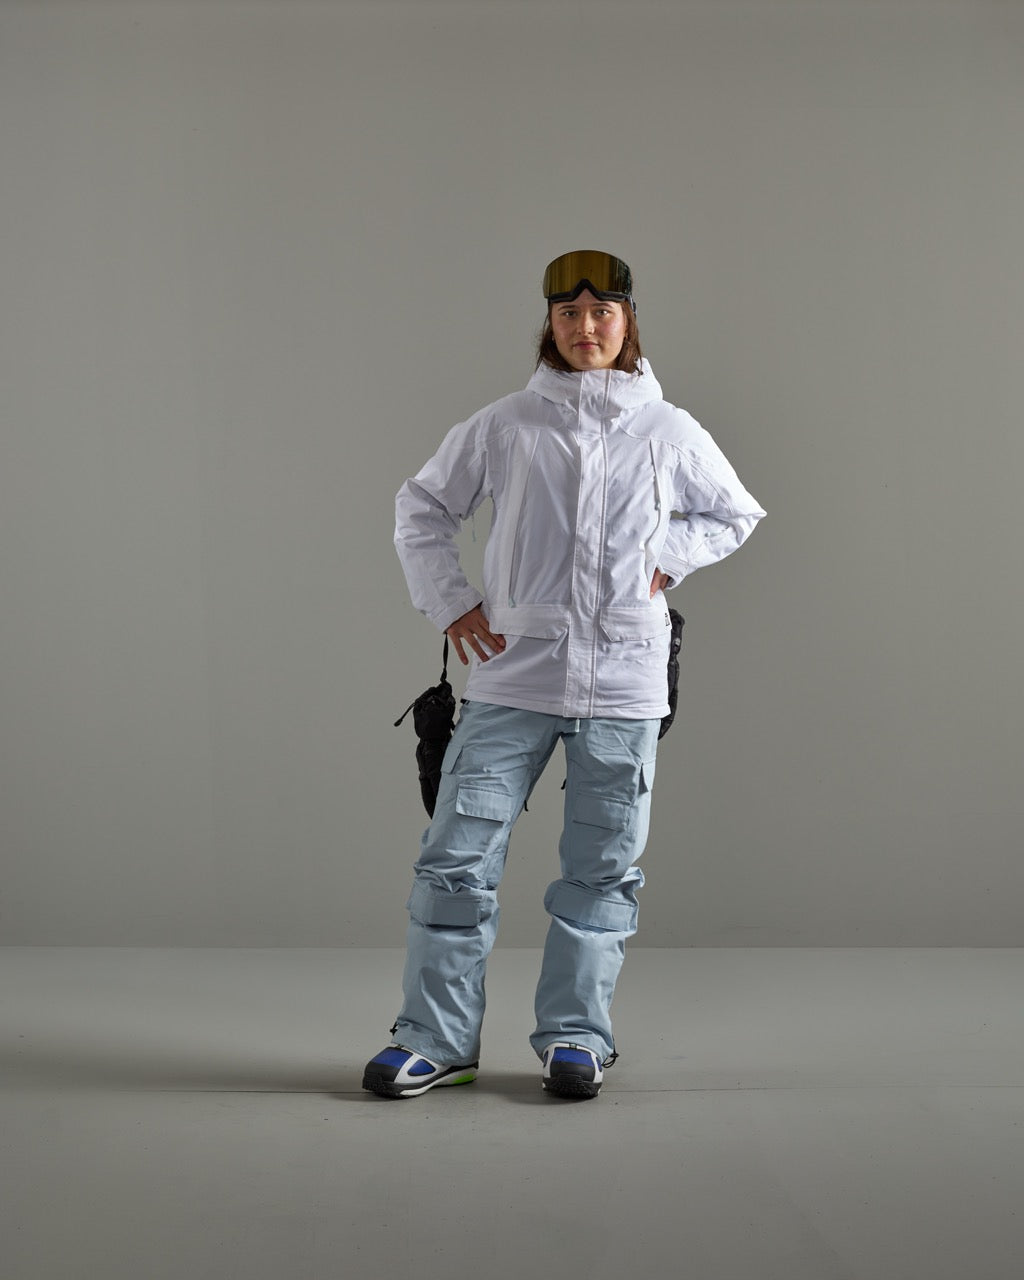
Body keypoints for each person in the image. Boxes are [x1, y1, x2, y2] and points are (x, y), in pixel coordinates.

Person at [363, 250, 765, 1101]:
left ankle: (576, 1037)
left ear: (628, 321)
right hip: (513, 676)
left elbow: (734, 513)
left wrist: (667, 553)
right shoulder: (507, 424)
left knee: (602, 871)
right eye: (569, 314)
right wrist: (452, 604)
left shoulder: (669, 430)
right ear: (549, 324)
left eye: (602, 312)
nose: (587, 327)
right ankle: (435, 1039)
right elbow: (422, 507)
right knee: (454, 862)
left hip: (623, 680)